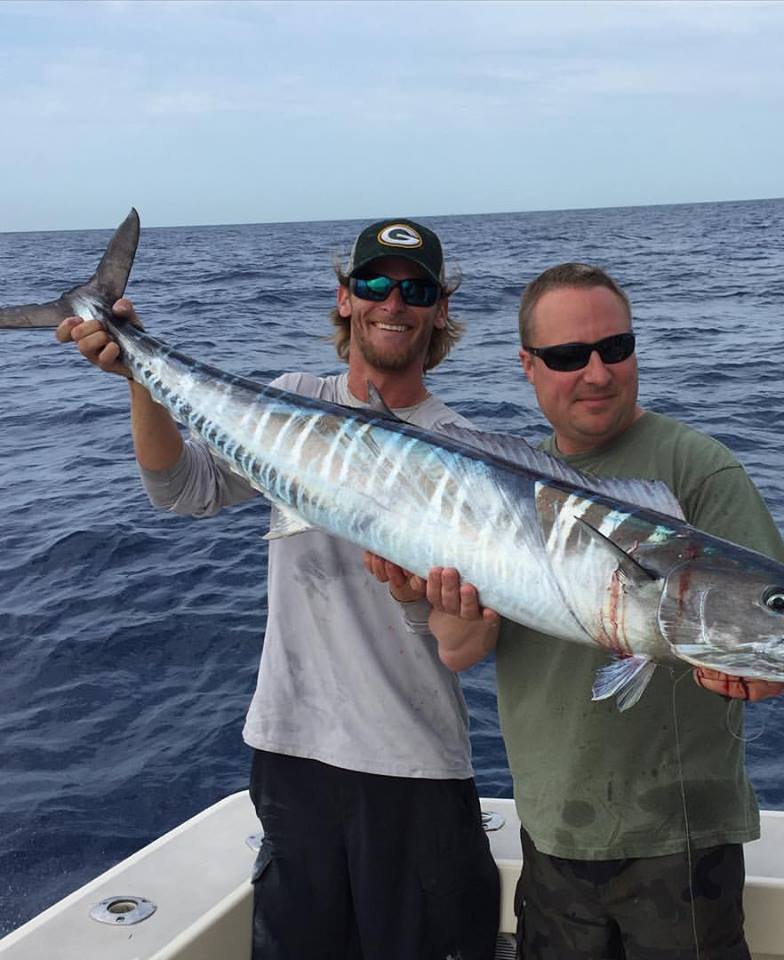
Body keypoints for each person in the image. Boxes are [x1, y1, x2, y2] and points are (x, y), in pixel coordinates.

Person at [55, 219, 500, 960]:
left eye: (415, 289)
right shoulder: (292, 399)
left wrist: (418, 598)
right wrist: (140, 372)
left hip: (414, 766)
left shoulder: (469, 454)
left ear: (439, 310)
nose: (395, 302)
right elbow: (181, 489)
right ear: (346, 299)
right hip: (289, 756)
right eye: (376, 284)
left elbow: (469, 646)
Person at [372, 262, 784, 960]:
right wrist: (432, 599)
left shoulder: (699, 470)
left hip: (680, 839)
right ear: (528, 367)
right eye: (568, 357)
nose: (597, 373)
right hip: (555, 831)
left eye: (615, 348)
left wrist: (765, 675)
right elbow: (461, 648)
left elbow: (769, 637)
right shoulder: (504, 482)